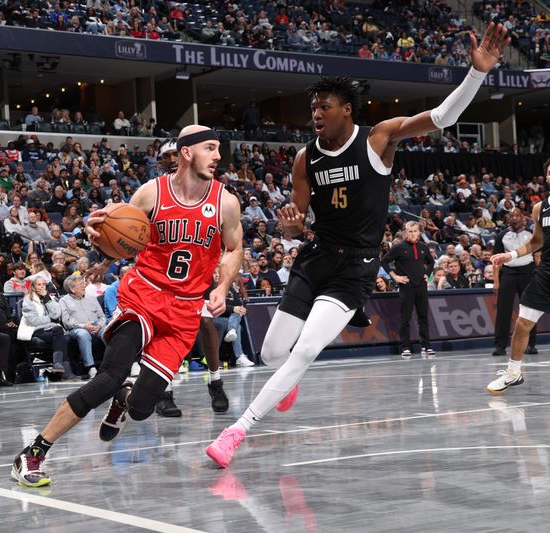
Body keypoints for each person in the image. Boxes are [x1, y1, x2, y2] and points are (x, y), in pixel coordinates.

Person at [206, 23, 510, 467]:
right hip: (315, 259)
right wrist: (291, 231)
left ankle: (236, 431)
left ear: (346, 110)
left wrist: (476, 74)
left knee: (307, 350)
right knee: (272, 353)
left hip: (356, 267)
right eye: (312, 108)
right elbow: (302, 221)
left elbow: (443, 117)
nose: (315, 114)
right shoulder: (303, 159)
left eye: (324, 107)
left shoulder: (378, 138)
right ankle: (285, 381)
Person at [10, 125, 243, 487]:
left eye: (218, 149)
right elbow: (113, 229)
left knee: (142, 408)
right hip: (143, 295)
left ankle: (126, 399)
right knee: (109, 376)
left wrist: (223, 285)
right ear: (186, 152)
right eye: (210, 148)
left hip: (184, 310)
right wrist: (97, 235)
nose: (217, 156)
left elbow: (234, 248)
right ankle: (33, 452)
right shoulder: (152, 193)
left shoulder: (226, 201)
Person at [152, 138, 230, 418]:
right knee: (166, 334)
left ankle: (215, 380)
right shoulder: (156, 192)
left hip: (196, 273)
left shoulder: (211, 191)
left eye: (176, 154)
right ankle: (164, 391)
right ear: (161, 163)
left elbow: (226, 237)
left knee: (207, 325)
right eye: (167, 156)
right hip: (162, 277)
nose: (172, 159)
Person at [487, 158, 550, 393]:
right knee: (523, 323)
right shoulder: (539, 208)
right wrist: (510, 255)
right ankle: (513, 373)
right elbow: (536, 241)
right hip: (545, 272)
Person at [382, 221, 435, 358]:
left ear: (419, 232)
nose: (412, 233)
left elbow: (431, 262)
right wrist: (395, 277)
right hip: (406, 286)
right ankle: (406, 347)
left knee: (423, 317)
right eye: (409, 231)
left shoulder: (423, 247)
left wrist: (427, 274)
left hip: (421, 286)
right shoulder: (399, 247)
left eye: (415, 231)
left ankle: (426, 346)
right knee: (406, 318)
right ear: (405, 232)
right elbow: (383, 261)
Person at [492, 208, 537, 356]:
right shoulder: (502, 235)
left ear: (523, 218)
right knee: (503, 310)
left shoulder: (531, 234)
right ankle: (500, 346)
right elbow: (496, 261)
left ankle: (531, 344)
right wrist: (496, 281)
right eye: (512, 216)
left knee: (530, 310)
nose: (515, 218)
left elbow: (537, 257)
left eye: (518, 215)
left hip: (528, 272)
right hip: (508, 273)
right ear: (508, 218)